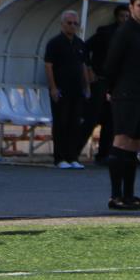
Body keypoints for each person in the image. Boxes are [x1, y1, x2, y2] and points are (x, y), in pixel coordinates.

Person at [103, 0, 140, 210]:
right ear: (131, 7)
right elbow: (111, 64)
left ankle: (129, 195)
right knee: (121, 141)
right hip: (125, 95)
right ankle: (115, 196)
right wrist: (111, 89)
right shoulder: (124, 32)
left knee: (135, 144)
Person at [43, 10, 90, 168]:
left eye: (75, 23)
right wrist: (53, 88)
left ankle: (73, 157)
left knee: (74, 123)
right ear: (62, 24)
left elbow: (83, 66)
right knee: (61, 123)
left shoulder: (80, 43)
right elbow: (48, 66)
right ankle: (60, 158)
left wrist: (87, 86)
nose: (72, 26)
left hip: (77, 90)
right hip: (61, 89)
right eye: (69, 23)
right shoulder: (54, 43)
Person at [84, 4, 128, 164]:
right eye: (122, 16)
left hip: (117, 83)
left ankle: (104, 153)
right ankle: (72, 152)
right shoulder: (105, 32)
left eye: (127, 16)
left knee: (112, 118)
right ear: (116, 17)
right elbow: (85, 48)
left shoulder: (130, 34)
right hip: (101, 80)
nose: (125, 19)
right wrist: (90, 69)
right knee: (92, 116)